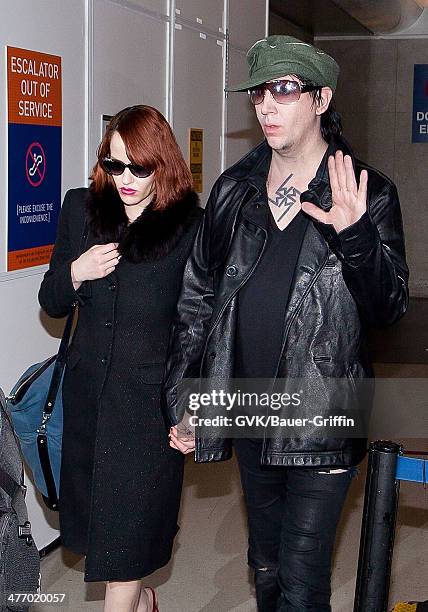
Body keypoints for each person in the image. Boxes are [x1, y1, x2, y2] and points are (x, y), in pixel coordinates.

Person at [164, 36, 409, 611]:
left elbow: (390, 309)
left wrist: (355, 236)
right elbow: (198, 300)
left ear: (320, 99)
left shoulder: (365, 193)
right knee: (267, 568)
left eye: (284, 90)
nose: (267, 106)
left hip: (326, 409)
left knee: (302, 581)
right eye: (258, 94)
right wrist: (187, 397)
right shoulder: (234, 190)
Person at [39, 105, 202, 612]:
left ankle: (133, 595)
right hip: (89, 403)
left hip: (148, 412)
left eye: (139, 167)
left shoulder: (191, 228)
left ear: (164, 164)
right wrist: (76, 271)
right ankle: (144, 600)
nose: (125, 179)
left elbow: (200, 329)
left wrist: (194, 407)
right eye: (114, 165)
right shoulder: (80, 210)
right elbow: (50, 301)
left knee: (123, 558)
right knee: (101, 548)